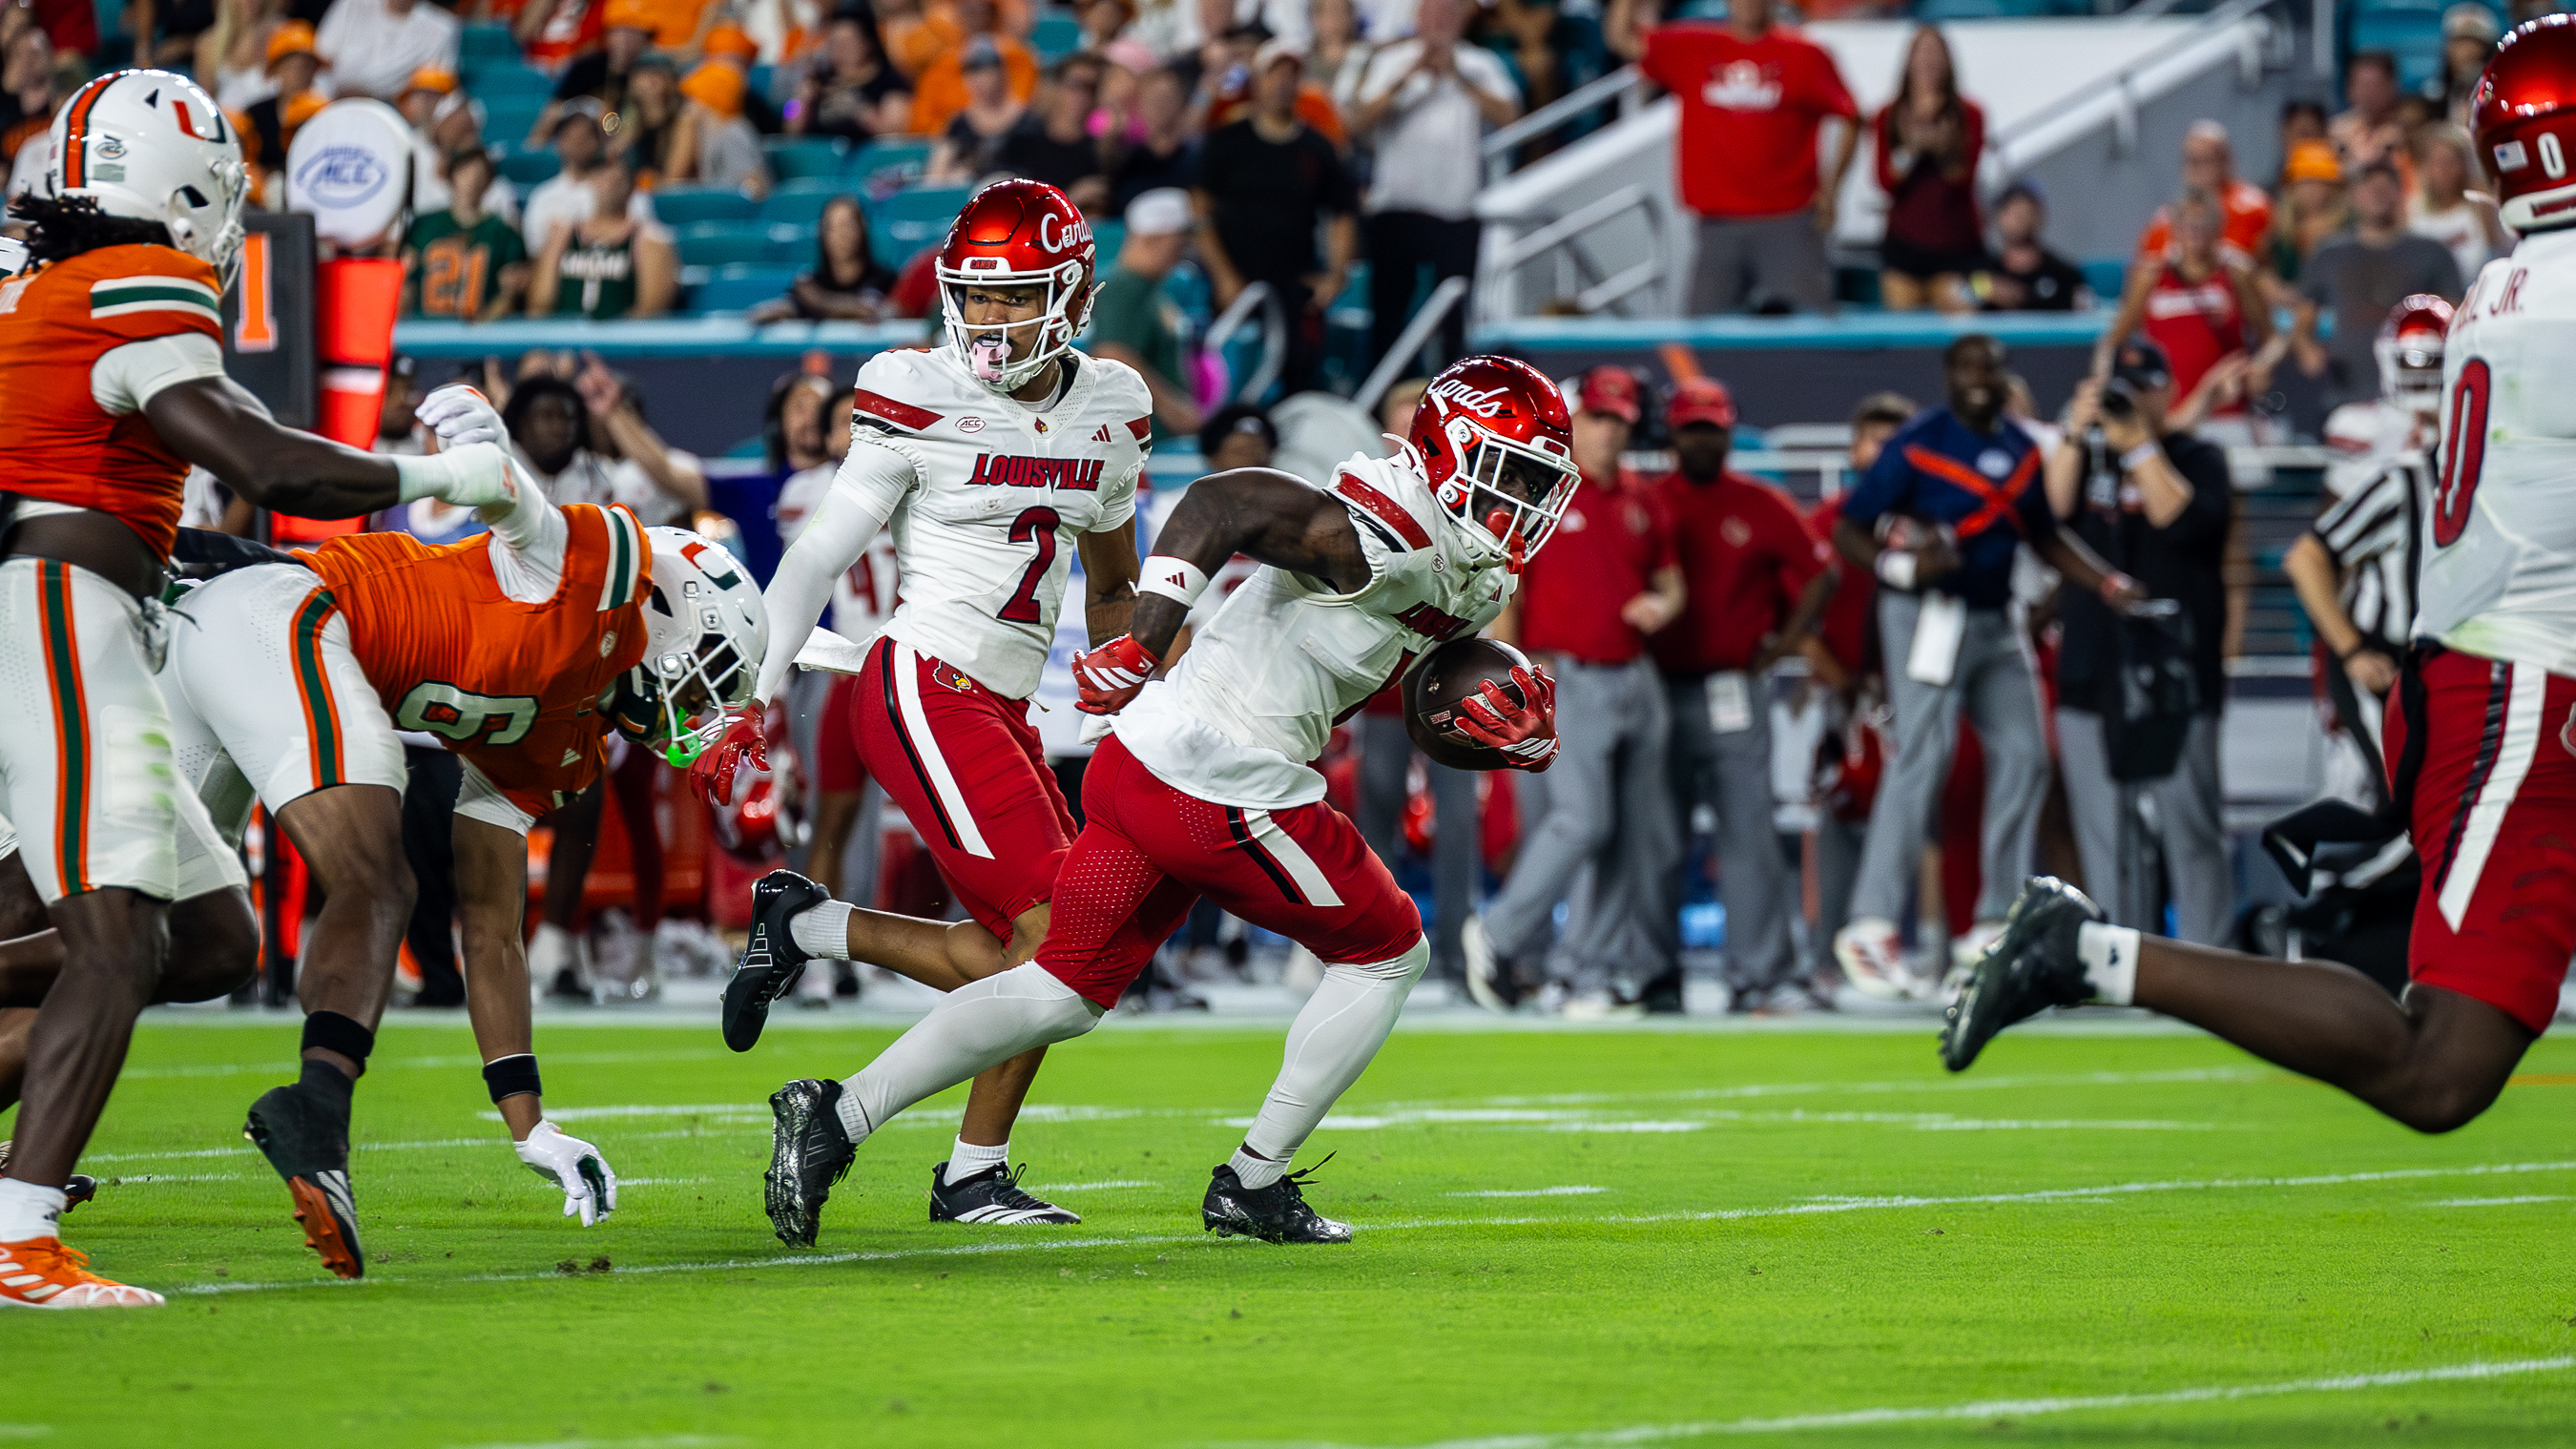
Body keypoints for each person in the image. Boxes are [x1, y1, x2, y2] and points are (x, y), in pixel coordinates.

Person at [750, 354, 1575, 1248]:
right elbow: (1222, 505)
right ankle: (1254, 1181)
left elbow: (1411, 687)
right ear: (1452, 453)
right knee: (1389, 951)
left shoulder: (1477, 567)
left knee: (1061, 988)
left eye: (1540, 480)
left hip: (1149, 765)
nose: (1527, 496)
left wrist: (1480, 724)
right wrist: (1144, 642)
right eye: (1513, 471)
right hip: (1226, 778)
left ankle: (836, 1115)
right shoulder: (1391, 528)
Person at [1942, 13, 2576, 1140]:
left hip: (2507, 683)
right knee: (2441, 1067)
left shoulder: (2510, 288)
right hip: (2521, 696)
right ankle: (2089, 952)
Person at [0, 70, 523, 1309]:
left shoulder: (51, 286)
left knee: (212, 936)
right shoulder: (137, 280)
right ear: (171, 186)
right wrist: (457, 473)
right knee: (116, 937)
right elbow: (262, 457)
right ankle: (19, 1238)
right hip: (59, 601)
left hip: (94, 607)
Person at [692, 180, 1152, 1230]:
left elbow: (1114, 582)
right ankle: (852, 1123)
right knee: (1058, 938)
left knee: (1032, 959)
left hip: (1009, 705)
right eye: (976, 299)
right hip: (922, 681)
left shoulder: (1113, 408)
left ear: (1074, 293)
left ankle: (809, 927)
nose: (991, 322)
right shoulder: (912, 387)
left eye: (1017, 297)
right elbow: (814, 554)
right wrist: (752, 698)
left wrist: (1137, 659)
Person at [1827, 335, 2146, 1000]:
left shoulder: (2024, 451)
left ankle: (1991, 921)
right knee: (1924, 754)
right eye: (1968, 368)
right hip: (1928, 614)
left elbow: (2045, 536)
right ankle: (1870, 922)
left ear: (2004, 379)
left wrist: (2106, 582)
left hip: (1996, 618)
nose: (1979, 380)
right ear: (1949, 375)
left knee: (2027, 754)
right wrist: (1905, 566)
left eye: (1989, 370)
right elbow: (1851, 527)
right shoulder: (1918, 441)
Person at [1464, 365, 1683, 1017]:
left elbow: (1673, 584)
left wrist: (1661, 607)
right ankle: (1499, 933)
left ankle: (1587, 972)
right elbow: (1509, 590)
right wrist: (1512, 677)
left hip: (1637, 675)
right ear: (1573, 419)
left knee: (1627, 834)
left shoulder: (1646, 499)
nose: (1609, 432)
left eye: (1619, 420)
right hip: (1563, 675)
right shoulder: (1539, 493)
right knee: (1583, 820)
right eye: (1597, 418)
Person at [1649, 376, 1836, 1010]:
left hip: (1733, 683)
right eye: (1692, 427)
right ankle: (1654, 975)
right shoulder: (1648, 501)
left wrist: (1784, 642)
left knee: (1749, 837)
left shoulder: (1760, 501)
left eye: (1713, 428)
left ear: (1727, 433)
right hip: (1657, 689)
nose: (1703, 440)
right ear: (1673, 433)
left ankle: (1760, 974)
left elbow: (1820, 570)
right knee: (1657, 838)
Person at [2042, 339, 2234, 945]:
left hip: (2176, 673)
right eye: (2116, 392)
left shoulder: (2199, 457)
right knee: (2107, 836)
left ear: (2167, 391)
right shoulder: (2084, 458)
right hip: (2091, 669)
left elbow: (2179, 519)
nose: (2128, 401)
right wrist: (2074, 435)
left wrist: (2141, 445)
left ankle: (2212, 968)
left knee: (2191, 831)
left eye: (2141, 388)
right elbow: (2046, 515)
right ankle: (2126, 970)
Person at [2286, 297, 2450, 810]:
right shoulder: (2387, 459)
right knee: (2377, 794)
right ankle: (2345, 887)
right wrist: (2348, 645)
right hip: (2379, 640)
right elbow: (2322, 544)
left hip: (2440, 658)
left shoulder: (2469, 442)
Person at [1608, 0, 1859, 316]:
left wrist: (1832, 189)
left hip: (1788, 219)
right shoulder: (1695, 46)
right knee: (1704, 341)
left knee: (1811, 336)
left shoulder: (1804, 53)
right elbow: (1622, 39)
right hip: (1717, 224)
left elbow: (1851, 115)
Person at [1350, 0, 1520, 373]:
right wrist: (1408, 78)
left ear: (1462, 21)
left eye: (1449, 14)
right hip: (1396, 208)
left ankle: (1452, 402)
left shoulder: (1479, 65)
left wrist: (1457, 77)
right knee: (1389, 317)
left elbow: (1510, 116)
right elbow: (1359, 121)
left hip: (1455, 210)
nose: (1441, 21)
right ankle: (1386, 403)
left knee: (1455, 320)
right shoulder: (1391, 63)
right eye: (1433, 13)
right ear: (1418, 18)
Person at [1806, 392, 1914, 961]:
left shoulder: (1927, 520)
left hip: (1915, 697)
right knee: (1837, 818)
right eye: (1876, 438)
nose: (1887, 451)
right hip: (1846, 696)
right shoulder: (1827, 521)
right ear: (1853, 449)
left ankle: (1930, 949)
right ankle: (1827, 958)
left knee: (1922, 824)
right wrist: (1835, 676)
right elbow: (1794, 615)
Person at [1198, 38, 1361, 397]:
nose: (1282, 83)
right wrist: (1223, 276)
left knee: (1299, 376)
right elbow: (1199, 211)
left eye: (1291, 75)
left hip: (1295, 285)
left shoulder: (1317, 148)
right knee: (1231, 377)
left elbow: (1342, 212)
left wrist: (1336, 275)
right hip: (1236, 283)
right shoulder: (1227, 142)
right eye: (1274, 74)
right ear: (1256, 80)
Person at [2100, 188, 2275, 446]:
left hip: (2227, 415)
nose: (2194, 231)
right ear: (2174, 228)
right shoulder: (2151, 275)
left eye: (2202, 223)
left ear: (2218, 227)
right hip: (2168, 417)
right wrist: (2105, 389)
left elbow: (2270, 338)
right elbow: (2114, 340)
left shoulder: (2236, 272)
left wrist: (2262, 366)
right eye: (2186, 224)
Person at [2295, 157, 2463, 408]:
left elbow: (2456, 316)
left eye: (2385, 187)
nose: (2377, 194)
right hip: (2346, 396)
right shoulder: (2328, 254)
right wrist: (2307, 349)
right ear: (2352, 196)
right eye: (2368, 187)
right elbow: (2303, 319)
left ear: (2399, 193)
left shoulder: (2431, 252)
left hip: (2415, 396)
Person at [1872, 26, 1983, 314]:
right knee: (1905, 338)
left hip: (1956, 247)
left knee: (1962, 320)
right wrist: (1911, 150)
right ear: (1909, 62)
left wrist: (1944, 150)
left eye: (1936, 54)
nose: (1928, 62)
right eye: (1922, 53)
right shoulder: (1888, 115)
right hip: (1904, 248)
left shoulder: (1970, 115)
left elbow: (1964, 179)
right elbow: (1885, 180)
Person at [1083, 186, 1202, 441]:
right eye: (1179, 237)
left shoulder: (1150, 288)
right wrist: (1172, 408)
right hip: (1140, 444)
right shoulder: (1124, 286)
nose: (1185, 247)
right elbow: (1112, 354)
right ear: (1151, 237)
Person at [530, 164, 679, 320]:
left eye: (617, 180)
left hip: (620, 339)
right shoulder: (562, 237)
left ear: (631, 188)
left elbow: (651, 312)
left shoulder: (650, 240)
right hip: (565, 337)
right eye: (603, 176)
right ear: (591, 181)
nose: (609, 183)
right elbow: (539, 305)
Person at [403, 148, 530, 322]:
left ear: (489, 182)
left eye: (480, 174)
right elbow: (407, 282)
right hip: (427, 328)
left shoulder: (504, 233)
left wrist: (482, 325)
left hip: (479, 334)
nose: (472, 181)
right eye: (466, 172)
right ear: (452, 177)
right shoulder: (424, 225)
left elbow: (509, 294)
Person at [2133, 120, 2275, 270]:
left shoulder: (2253, 205)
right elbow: (2146, 269)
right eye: (2190, 161)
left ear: (2225, 161)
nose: (2194, 170)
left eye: (2203, 161)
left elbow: (2256, 264)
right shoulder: (2164, 216)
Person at [750, 195, 896, 322]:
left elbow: (872, 309)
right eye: (832, 227)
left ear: (862, 229)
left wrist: (820, 301)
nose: (841, 235)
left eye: (847, 225)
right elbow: (787, 306)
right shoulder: (811, 283)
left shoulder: (885, 279)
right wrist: (774, 311)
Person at [996, 53, 1110, 213]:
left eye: (1092, 88)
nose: (1083, 96)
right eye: (1076, 85)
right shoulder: (1022, 144)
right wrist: (1070, 198)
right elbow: (1008, 209)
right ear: (1057, 86)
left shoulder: (1102, 152)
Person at [908, 0, 1038, 136]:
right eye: (966, 5)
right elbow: (921, 125)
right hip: (954, 143)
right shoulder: (941, 64)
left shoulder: (1015, 57)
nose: (974, 6)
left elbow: (1019, 113)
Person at [2409, 122, 2512, 284]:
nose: (2443, 169)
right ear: (2424, 166)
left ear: (2464, 166)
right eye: (2436, 162)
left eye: (2450, 161)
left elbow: (2500, 255)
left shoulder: (2481, 207)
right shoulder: (2411, 212)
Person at [789, 10, 911, 140]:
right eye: (834, 43)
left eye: (847, 43)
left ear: (867, 43)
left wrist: (860, 110)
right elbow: (788, 125)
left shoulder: (889, 83)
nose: (840, 50)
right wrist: (799, 101)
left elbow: (896, 133)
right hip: (818, 156)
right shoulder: (819, 80)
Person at [1974, 181, 2088, 312]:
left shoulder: (2065, 274)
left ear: (2040, 216)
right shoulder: (1984, 273)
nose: (2020, 218)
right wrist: (1984, 288)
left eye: (2027, 211)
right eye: (2013, 211)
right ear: (1998, 217)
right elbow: (1957, 291)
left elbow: (2085, 317)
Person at [924, 37, 1025, 183]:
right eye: (972, 72)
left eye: (987, 70)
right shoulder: (959, 123)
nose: (979, 79)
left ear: (1002, 73)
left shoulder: (1027, 121)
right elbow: (935, 175)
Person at [313, 0, 458, 101]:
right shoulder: (352, 3)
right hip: (330, 98)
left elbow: (435, 90)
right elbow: (320, 59)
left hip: (391, 112)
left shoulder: (442, 28)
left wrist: (374, 103)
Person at [1106, 64, 1197, 209]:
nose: (1159, 105)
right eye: (1152, 98)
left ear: (1181, 100)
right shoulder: (1125, 159)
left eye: (1166, 98)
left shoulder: (1197, 156)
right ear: (1139, 103)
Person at [2330, 51, 2408, 174]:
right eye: (2362, 85)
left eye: (2374, 85)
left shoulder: (2409, 130)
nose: (2368, 93)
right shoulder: (2337, 131)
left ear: (2392, 85)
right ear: (2349, 88)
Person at [2440, 2, 2502, 125]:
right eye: (2460, 42)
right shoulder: (2433, 104)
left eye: (2477, 43)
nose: (2468, 51)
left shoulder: (2499, 100)